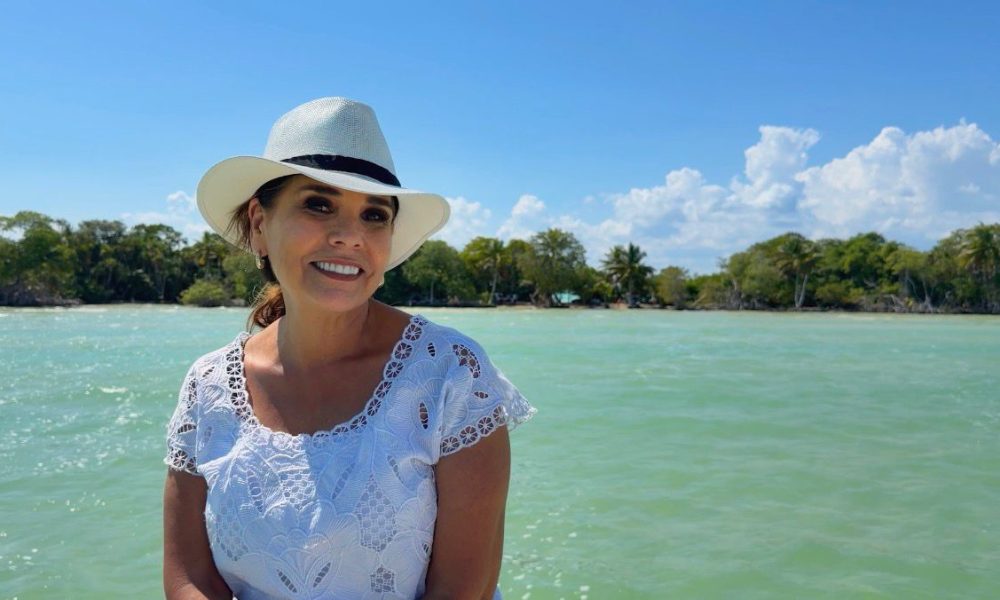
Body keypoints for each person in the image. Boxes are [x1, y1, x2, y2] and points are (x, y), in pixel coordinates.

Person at [163, 97, 536, 600]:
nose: (349, 236)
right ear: (259, 223)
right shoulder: (206, 386)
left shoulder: (450, 376)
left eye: (374, 214)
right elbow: (188, 579)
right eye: (319, 204)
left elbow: (463, 591)